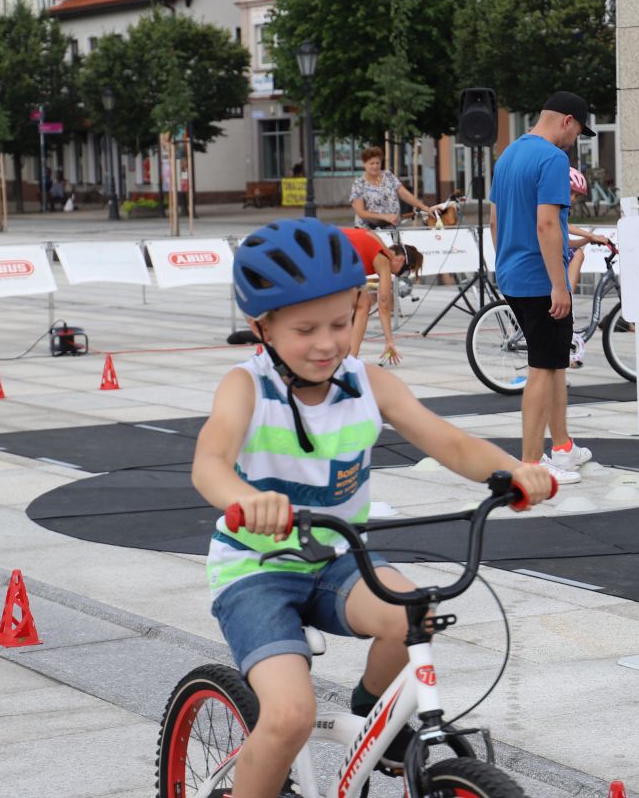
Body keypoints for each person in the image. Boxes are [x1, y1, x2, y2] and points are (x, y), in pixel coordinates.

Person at [192, 218, 553, 798]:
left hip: (337, 559)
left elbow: (450, 442)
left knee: (417, 615)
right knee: (288, 718)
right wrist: (247, 500)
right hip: (256, 571)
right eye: (305, 329)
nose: (327, 343)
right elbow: (209, 462)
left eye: (340, 323)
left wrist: (513, 472)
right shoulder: (245, 387)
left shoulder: (369, 382)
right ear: (263, 328)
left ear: (360, 307)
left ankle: (373, 717)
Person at [490, 91, 597, 485]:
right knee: (542, 369)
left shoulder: (508, 155)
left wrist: (505, 261)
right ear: (567, 121)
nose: (575, 141)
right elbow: (548, 225)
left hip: (513, 274)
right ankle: (532, 464)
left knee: (553, 365)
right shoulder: (553, 158)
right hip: (539, 279)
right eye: (579, 132)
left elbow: (494, 221)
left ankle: (563, 448)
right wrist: (559, 286)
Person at [339, 225, 423, 366]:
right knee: (364, 304)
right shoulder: (383, 259)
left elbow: (365, 233)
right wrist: (389, 340)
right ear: (401, 259)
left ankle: (348, 355)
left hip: (322, 243)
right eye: (404, 273)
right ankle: (351, 360)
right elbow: (384, 305)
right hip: (330, 254)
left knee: (357, 301)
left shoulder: (377, 243)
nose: (398, 276)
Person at [564, 168, 610, 369]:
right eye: (571, 193)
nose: (574, 199)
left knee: (579, 252)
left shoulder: (561, 207)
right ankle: (567, 300)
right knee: (578, 255)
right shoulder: (554, 206)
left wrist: (586, 239)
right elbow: (565, 229)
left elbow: (567, 241)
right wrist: (591, 236)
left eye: (576, 196)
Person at [349, 146, 434, 229]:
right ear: (364, 163)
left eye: (377, 163)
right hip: (367, 230)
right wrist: (385, 217)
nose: (375, 166)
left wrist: (423, 207)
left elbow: (404, 194)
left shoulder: (388, 175)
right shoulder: (359, 184)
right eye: (371, 163)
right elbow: (361, 212)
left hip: (391, 227)